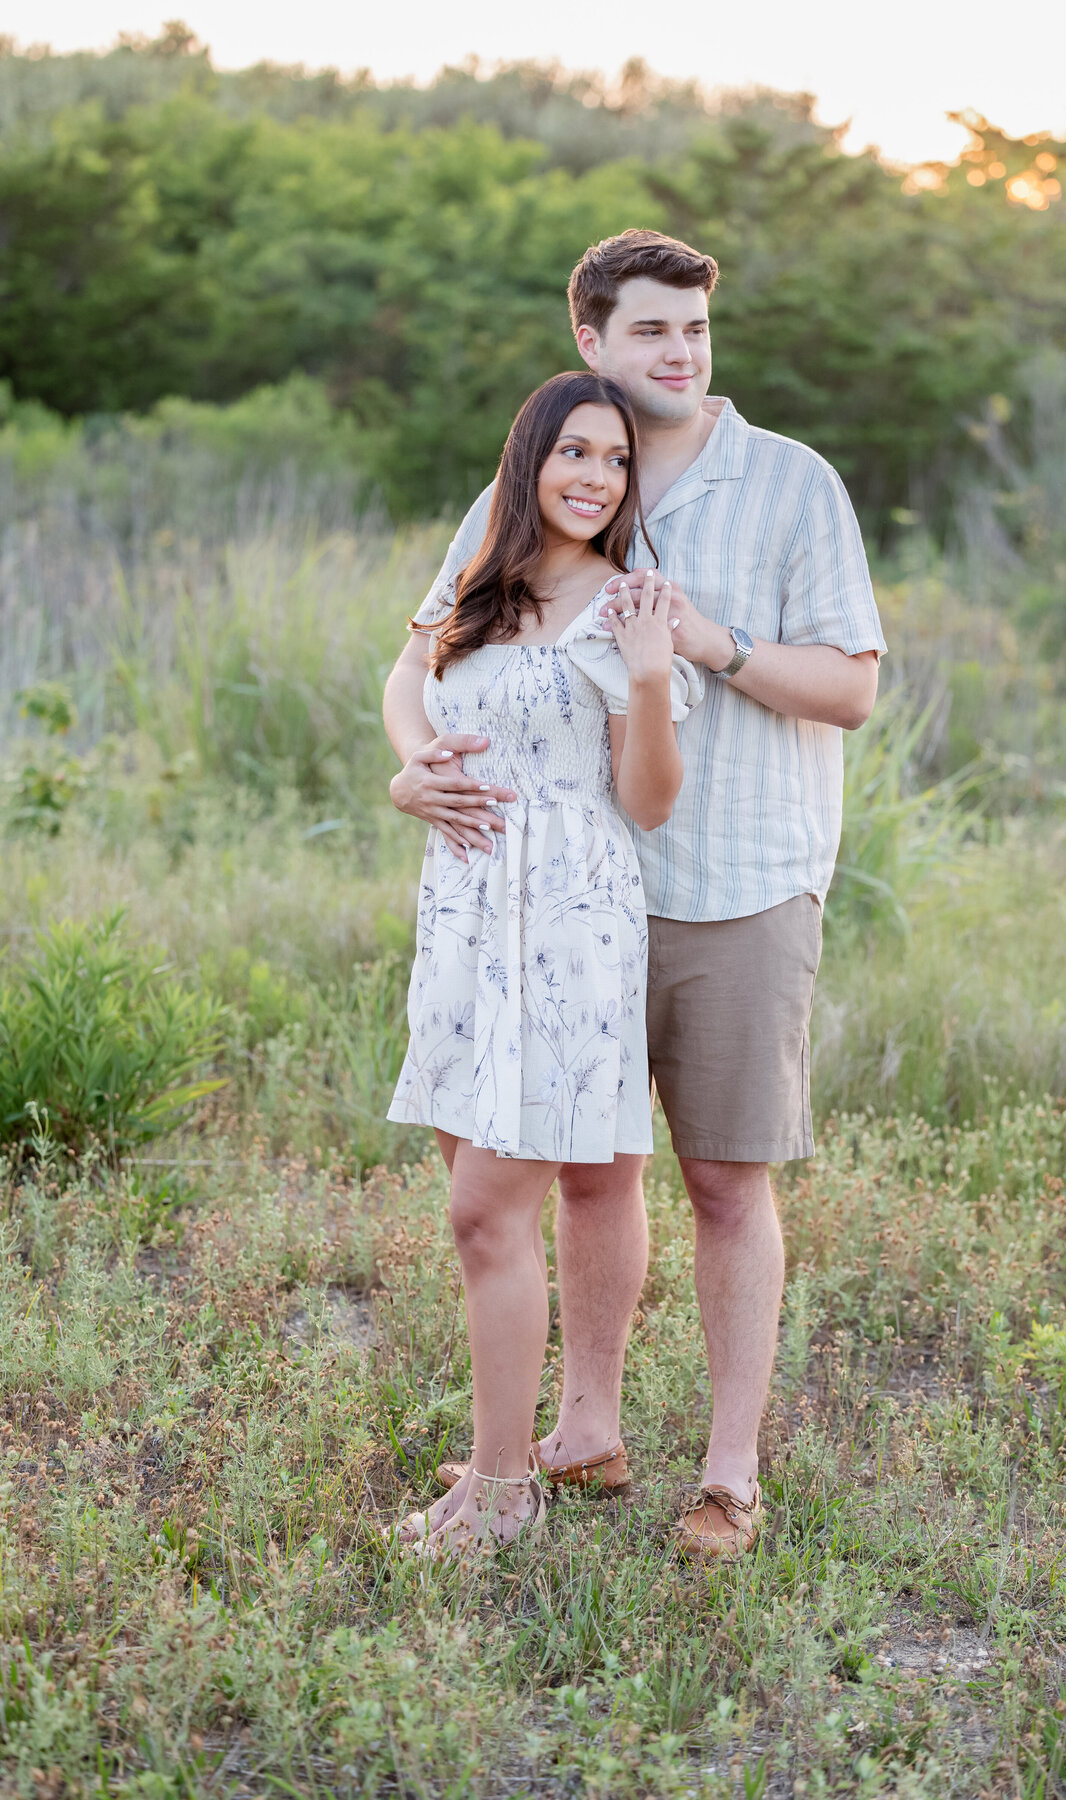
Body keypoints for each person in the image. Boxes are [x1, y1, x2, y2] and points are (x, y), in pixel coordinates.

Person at [383, 229, 886, 1560]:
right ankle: (582, 1434)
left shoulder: (789, 487)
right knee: (592, 1177)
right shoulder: (549, 472)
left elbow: (852, 688)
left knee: (725, 1179)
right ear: (592, 344)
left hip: (732, 882)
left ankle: (729, 1474)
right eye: (651, 331)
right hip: (549, 907)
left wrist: (701, 646)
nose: (679, 353)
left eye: (696, 332)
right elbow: (425, 649)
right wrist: (414, 768)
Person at [384, 369, 701, 1556]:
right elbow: (407, 682)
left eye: (616, 462)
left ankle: (505, 1490)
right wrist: (409, 769)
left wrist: (658, 676)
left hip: (567, 915)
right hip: (466, 906)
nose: (596, 478)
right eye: (575, 453)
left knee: (483, 1213)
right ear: (529, 463)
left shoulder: (628, 605)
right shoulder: (483, 580)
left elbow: (650, 802)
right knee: (483, 1208)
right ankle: (504, 1464)